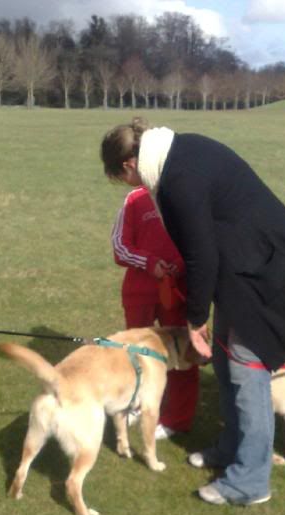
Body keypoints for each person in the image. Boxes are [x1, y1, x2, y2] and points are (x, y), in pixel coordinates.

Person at [100, 122, 285, 506]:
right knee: (228, 359)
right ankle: (232, 447)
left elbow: (201, 252)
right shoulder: (180, 151)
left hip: (265, 275)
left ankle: (250, 480)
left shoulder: (179, 176)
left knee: (248, 368)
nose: (131, 186)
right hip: (244, 273)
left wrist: (195, 319)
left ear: (130, 163)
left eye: (123, 177)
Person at [109, 121, 198, 440]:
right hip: (140, 294)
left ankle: (177, 419)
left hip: (178, 293)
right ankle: (134, 404)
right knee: (135, 352)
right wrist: (150, 263)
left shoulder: (177, 190)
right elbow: (120, 247)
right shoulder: (133, 200)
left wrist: (177, 266)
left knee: (182, 357)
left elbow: (198, 243)